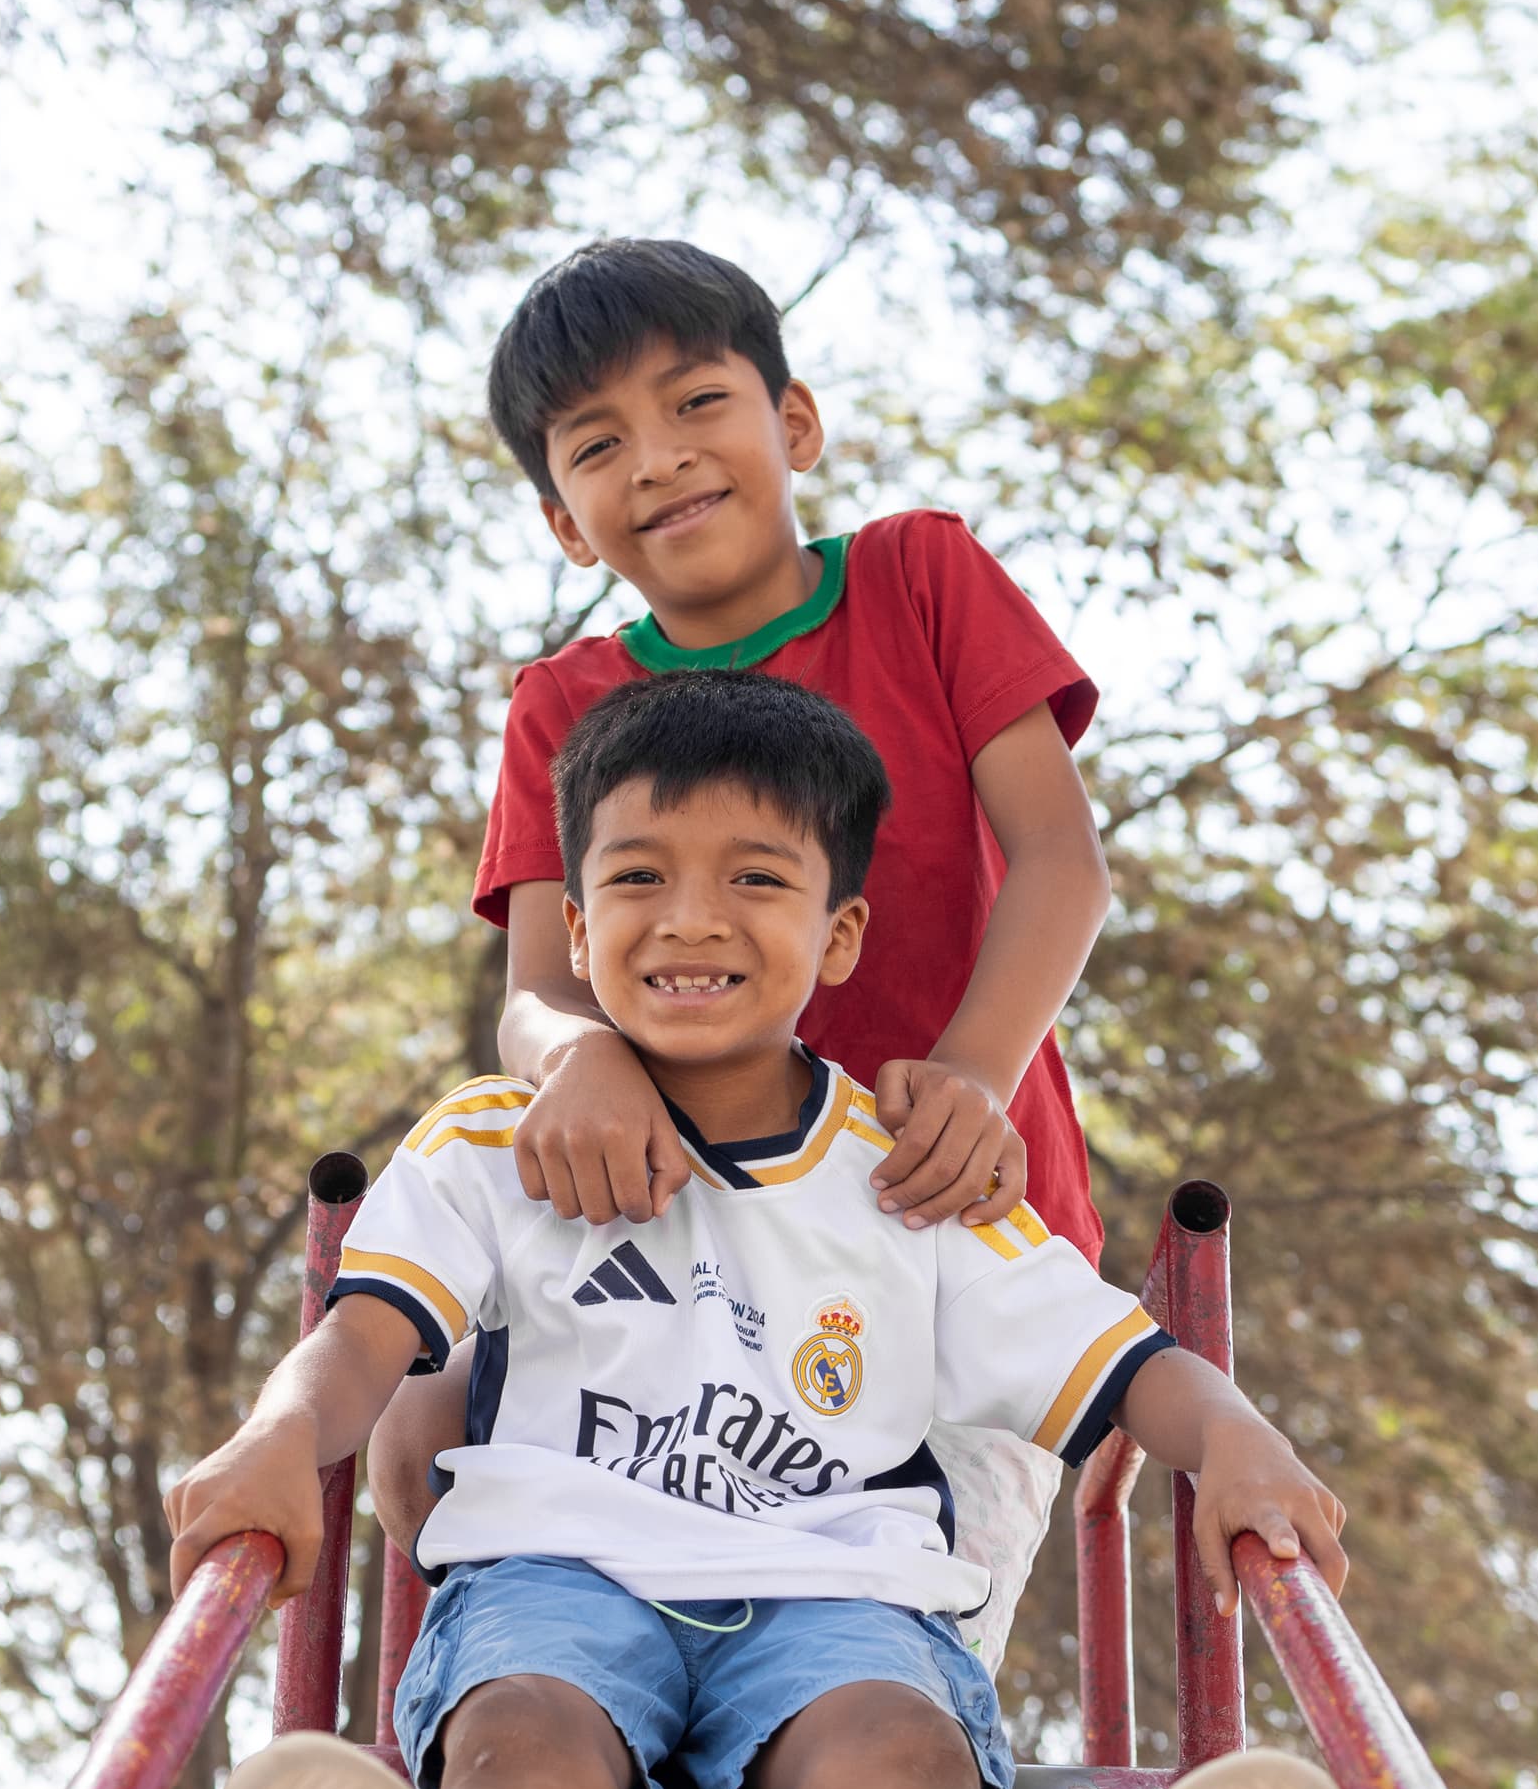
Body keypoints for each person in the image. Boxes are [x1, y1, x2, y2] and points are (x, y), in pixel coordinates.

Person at [164, 671, 1364, 1789]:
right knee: (521, 1750)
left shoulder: (905, 1187)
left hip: (828, 1589)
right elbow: (365, 1342)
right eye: (639, 878)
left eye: (756, 879)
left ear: (839, 937)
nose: (691, 919)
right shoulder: (490, 1142)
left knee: (905, 1770)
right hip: (560, 1563)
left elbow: (1125, 1367)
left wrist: (1247, 1444)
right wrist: (272, 1441)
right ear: (576, 936)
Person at [365, 236, 1118, 1555]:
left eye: (696, 402)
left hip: (937, 1227)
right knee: (603, 1644)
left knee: (886, 1661)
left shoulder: (920, 581)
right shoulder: (564, 704)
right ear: (560, 516)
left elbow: (1063, 862)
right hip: (670, 1270)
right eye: (595, 447)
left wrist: (974, 1077)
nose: (655, 457)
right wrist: (580, 1056)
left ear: (796, 421)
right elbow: (538, 992)